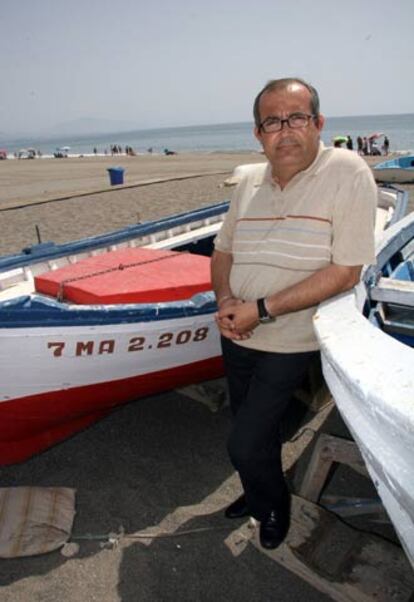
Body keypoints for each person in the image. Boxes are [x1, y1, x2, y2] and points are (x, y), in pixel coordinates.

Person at [211, 77, 377, 550]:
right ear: (258, 133)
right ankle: (257, 489)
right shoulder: (248, 181)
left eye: (297, 117)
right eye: (272, 121)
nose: (285, 131)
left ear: (319, 124)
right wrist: (225, 301)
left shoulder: (346, 171)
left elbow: (346, 270)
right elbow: (222, 252)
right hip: (236, 330)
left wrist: (259, 310)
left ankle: (274, 505)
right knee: (248, 428)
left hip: (287, 337)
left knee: (243, 441)